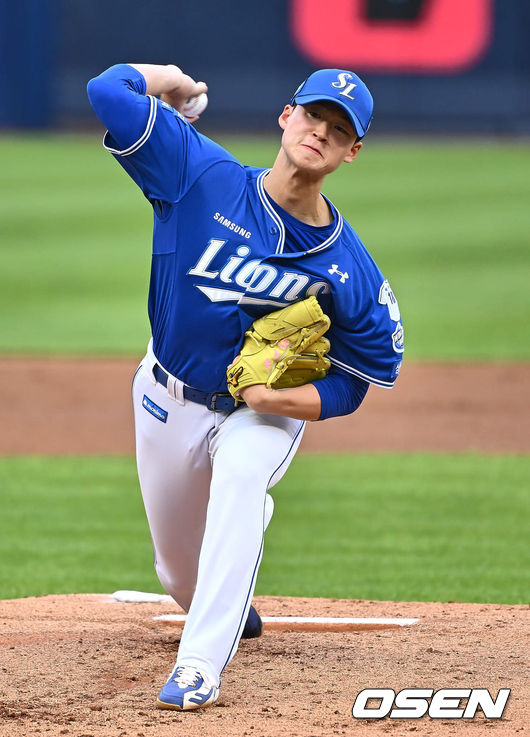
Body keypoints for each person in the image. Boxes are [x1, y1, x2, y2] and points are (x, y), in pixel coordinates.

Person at [87, 63, 404, 711]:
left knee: (239, 476)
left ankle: (199, 664)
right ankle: (228, 588)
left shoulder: (349, 269)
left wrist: (276, 401)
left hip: (260, 416)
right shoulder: (200, 175)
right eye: (314, 114)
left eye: (339, 129)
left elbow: (356, 380)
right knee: (178, 573)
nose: (321, 131)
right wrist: (169, 81)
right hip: (165, 394)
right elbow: (104, 93)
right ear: (286, 116)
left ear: (352, 152)